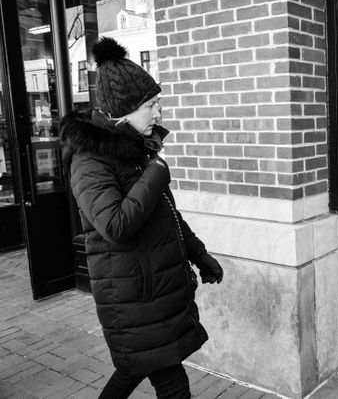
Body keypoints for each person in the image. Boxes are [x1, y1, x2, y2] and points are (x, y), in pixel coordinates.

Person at [60, 37, 223, 399]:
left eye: (158, 104)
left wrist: (200, 254)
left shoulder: (137, 151)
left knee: (131, 371)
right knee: (172, 386)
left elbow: (167, 214)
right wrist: (156, 171)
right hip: (133, 299)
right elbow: (116, 225)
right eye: (151, 105)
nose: (158, 113)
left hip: (151, 295)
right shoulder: (90, 162)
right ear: (122, 110)